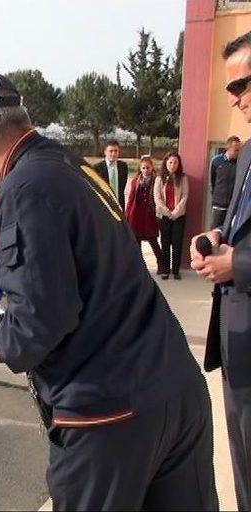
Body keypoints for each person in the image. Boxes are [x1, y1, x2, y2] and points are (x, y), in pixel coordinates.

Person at [0, 71, 217, 510]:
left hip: (108, 413)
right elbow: (35, 248)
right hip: (174, 388)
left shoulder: (22, 186)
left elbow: (38, 323)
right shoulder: (68, 165)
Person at [191, 30, 251, 512]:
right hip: (237, 344)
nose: (235, 100)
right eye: (230, 89)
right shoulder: (247, 153)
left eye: (244, 85)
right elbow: (234, 224)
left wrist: (240, 264)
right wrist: (212, 241)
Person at [154, 151, 189, 280]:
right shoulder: (159, 178)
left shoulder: (183, 178)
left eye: (175, 162)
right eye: (170, 162)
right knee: (165, 242)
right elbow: (157, 198)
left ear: (178, 164)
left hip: (179, 216)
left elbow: (185, 196)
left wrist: (175, 212)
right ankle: (165, 270)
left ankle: (175, 270)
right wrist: (167, 212)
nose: (173, 165)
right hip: (163, 216)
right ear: (166, 163)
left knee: (177, 243)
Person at [125, 156, 162, 273]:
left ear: (152, 168)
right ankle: (140, 267)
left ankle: (161, 264)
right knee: (136, 243)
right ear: (140, 168)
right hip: (136, 215)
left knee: (153, 241)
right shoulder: (135, 181)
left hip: (150, 215)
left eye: (148, 167)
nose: (146, 170)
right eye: (144, 168)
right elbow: (131, 199)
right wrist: (127, 214)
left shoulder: (156, 180)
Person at [212, 137, 242, 229]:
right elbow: (212, 181)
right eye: (236, 150)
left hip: (233, 207)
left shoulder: (240, 163)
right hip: (218, 206)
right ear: (228, 148)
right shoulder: (217, 161)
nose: (238, 152)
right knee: (215, 232)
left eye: (239, 150)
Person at [94, 140, 129, 210]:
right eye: (111, 151)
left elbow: (122, 188)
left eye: (116, 151)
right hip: (103, 206)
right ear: (105, 152)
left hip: (119, 205)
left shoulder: (123, 166)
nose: (113, 154)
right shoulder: (97, 168)